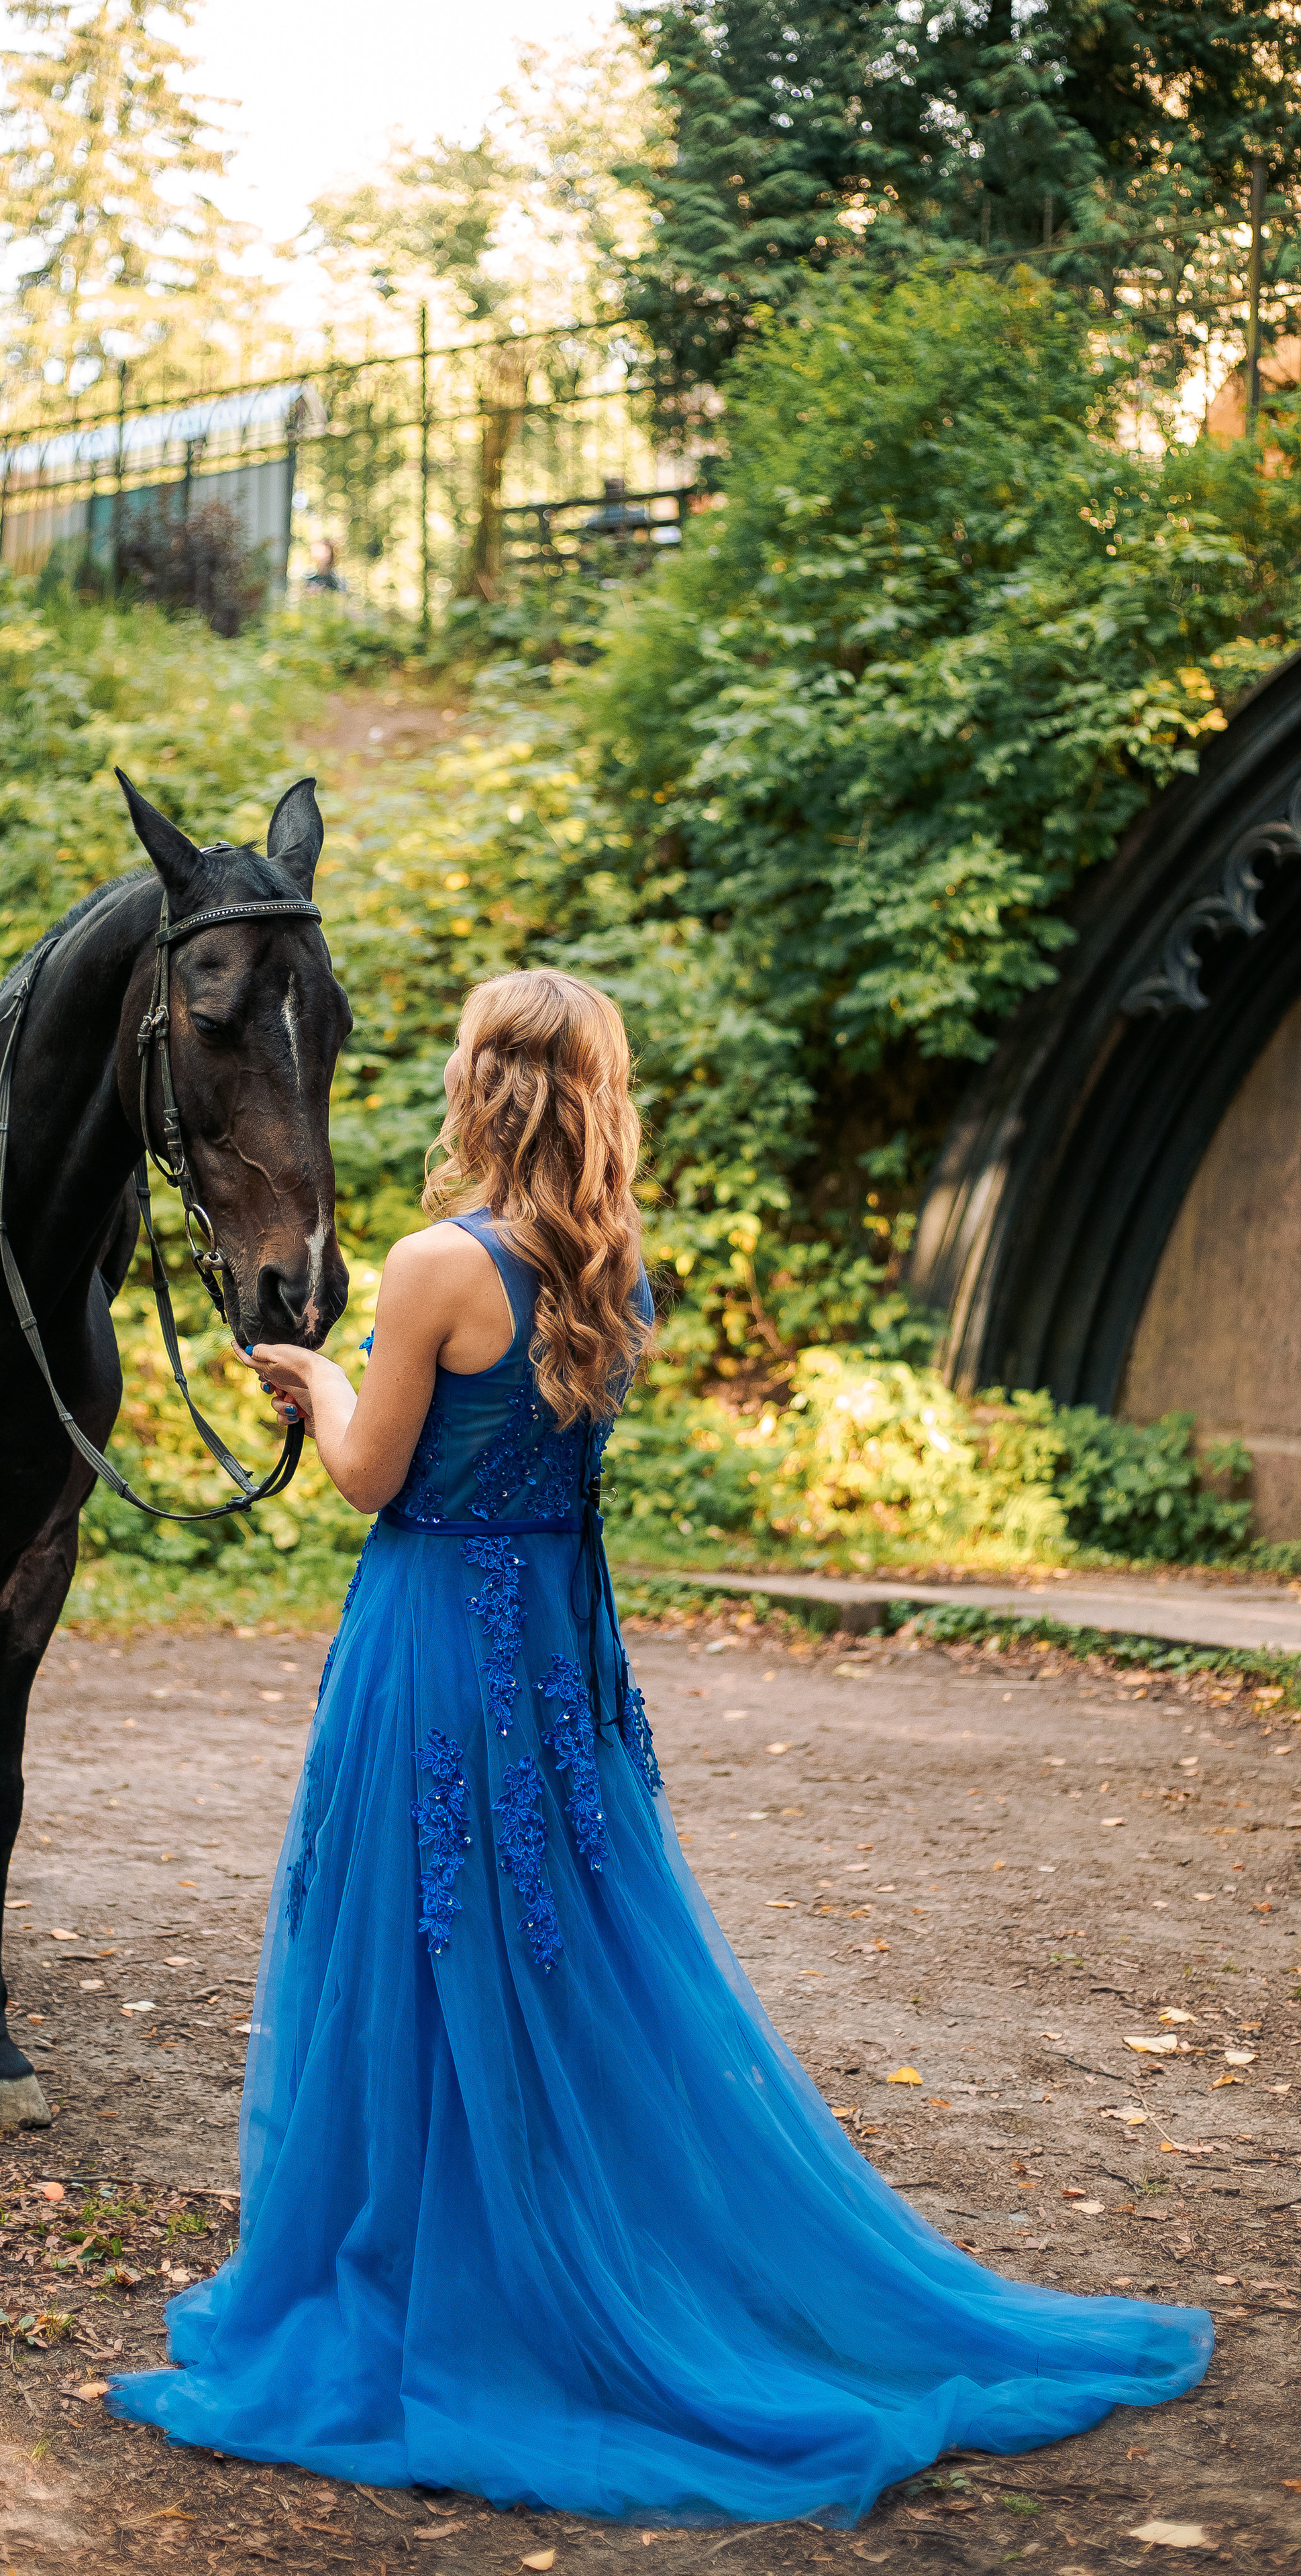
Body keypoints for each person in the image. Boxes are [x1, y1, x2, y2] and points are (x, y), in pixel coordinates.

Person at [109, 969, 1210, 2528]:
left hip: (432, 1646)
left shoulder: (433, 1263)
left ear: (477, 1084)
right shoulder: (610, 1265)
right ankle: (552, 2223)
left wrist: (311, 1378)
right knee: (554, 1955)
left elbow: (368, 1479)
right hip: (552, 1656)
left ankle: (454, 2273)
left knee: (421, 1942)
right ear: (598, 1093)